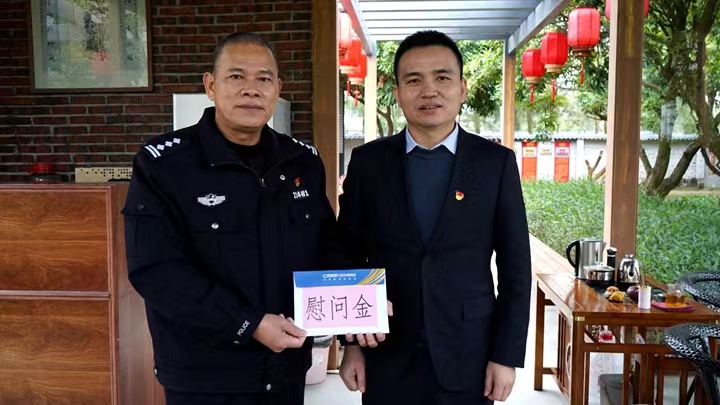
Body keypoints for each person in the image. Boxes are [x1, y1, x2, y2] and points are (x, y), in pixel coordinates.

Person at [122, 32, 341, 405]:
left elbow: (327, 247)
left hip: (285, 367)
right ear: (211, 85)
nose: (251, 89)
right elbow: (156, 270)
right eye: (236, 76)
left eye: (264, 79)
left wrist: (360, 308)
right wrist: (249, 323)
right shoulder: (164, 165)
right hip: (203, 375)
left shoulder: (302, 162)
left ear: (277, 89)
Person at [337, 30, 532, 405]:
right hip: (385, 352)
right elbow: (347, 253)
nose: (429, 91)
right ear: (397, 93)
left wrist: (505, 355)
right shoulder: (368, 163)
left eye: (442, 78)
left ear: (462, 88)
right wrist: (352, 343)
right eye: (414, 80)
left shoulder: (495, 163)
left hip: (470, 354)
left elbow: (516, 268)